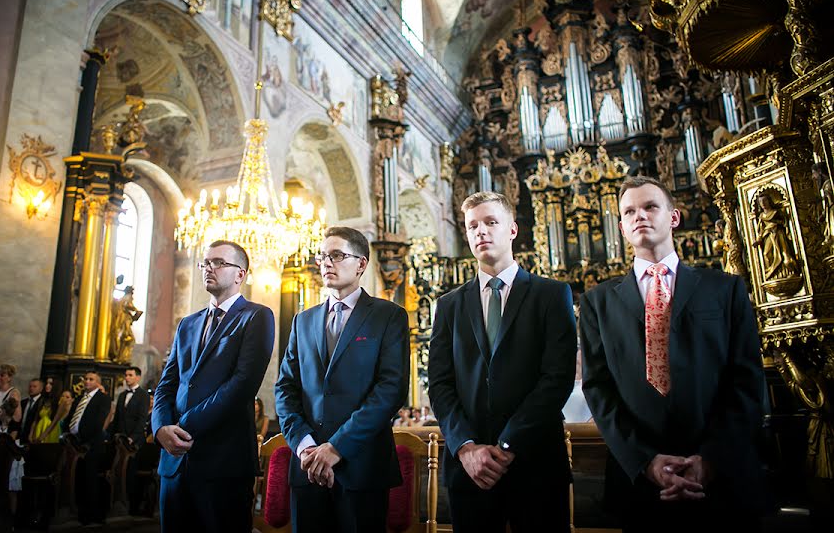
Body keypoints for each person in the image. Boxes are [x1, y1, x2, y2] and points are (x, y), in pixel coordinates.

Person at [579, 176, 765, 532]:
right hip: (640, 482)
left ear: (674, 218)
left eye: (650, 206)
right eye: (629, 211)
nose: (640, 216)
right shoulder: (597, 302)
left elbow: (746, 379)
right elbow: (599, 389)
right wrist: (646, 461)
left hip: (722, 477)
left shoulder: (723, 289)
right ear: (621, 227)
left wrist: (711, 460)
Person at [428, 191, 577, 533]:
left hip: (535, 462)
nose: (481, 231)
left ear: (512, 229)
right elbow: (439, 382)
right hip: (469, 469)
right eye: (473, 225)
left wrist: (508, 446)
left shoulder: (551, 295)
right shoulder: (449, 305)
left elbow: (556, 378)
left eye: (491, 222)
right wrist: (465, 447)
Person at [276, 226, 409, 533]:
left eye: (336, 255)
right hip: (308, 466)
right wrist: (306, 446)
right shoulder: (303, 320)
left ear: (361, 264)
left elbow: (390, 390)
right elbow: (286, 388)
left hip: (362, 467)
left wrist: (336, 448)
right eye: (322, 255)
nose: (326, 262)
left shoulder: (388, 316)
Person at [153, 240, 274, 533]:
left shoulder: (257, 316)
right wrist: (160, 428)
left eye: (219, 262)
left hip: (223, 460)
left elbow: (242, 384)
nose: (209, 268)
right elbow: (167, 384)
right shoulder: (188, 324)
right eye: (205, 263)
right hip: (175, 459)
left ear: (240, 274)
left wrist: (185, 424)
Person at [62, 370, 111, 525]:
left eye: (91, 379)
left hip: (90, 445)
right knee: (78, 478)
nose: (87, 382)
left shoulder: (103, 399)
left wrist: (85, 442)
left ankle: (91, 514)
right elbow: (70, 418)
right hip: (75, 444)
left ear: (98, 382)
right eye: (86, 379)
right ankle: (79, 510)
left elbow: (98, 423)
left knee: (89, 479)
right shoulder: (79, 399)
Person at [108, 366, 150, 448]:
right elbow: (117, 417)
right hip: (119, 437)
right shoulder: (122, 395)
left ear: (138, 378)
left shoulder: (144, 395)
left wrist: (132, 438)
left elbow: (142, 418)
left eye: (130, 375)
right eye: (126, 375)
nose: (127, 378)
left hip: (134, 440)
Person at [20, 378, 44, 445]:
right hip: (21, 436)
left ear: (41, 388)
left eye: (34, 386)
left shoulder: (43, 403)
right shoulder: (23, 402)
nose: (31, 388)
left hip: (33, 437)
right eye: (30, 386)